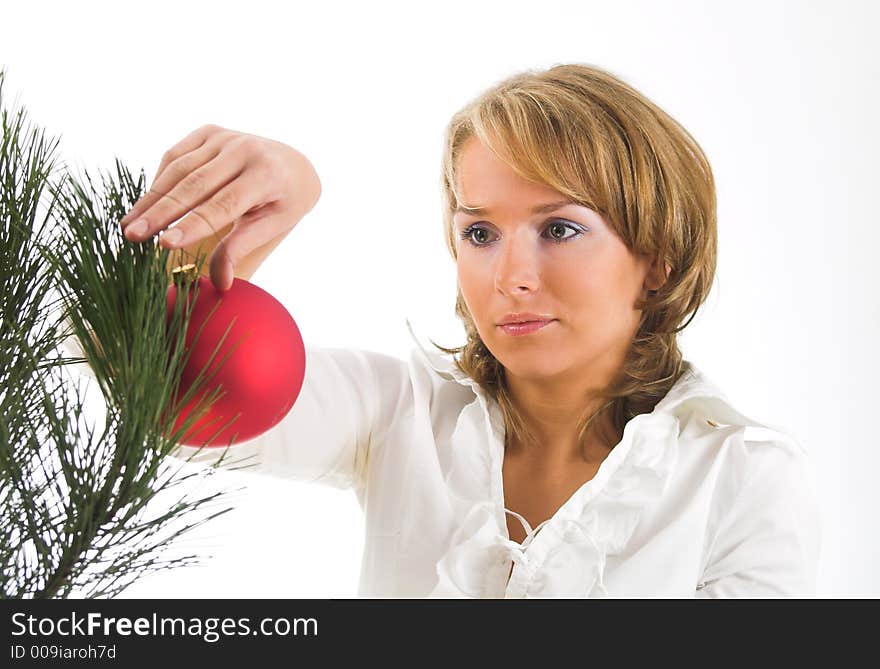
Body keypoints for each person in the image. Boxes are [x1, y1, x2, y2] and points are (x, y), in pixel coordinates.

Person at [99, 63, 820, 598]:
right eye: (479, 231)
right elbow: (161, 386)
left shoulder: (742, 479)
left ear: (657, 257)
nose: (510, 275)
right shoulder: (397, 408)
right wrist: (212, 241)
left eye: (560, 228)